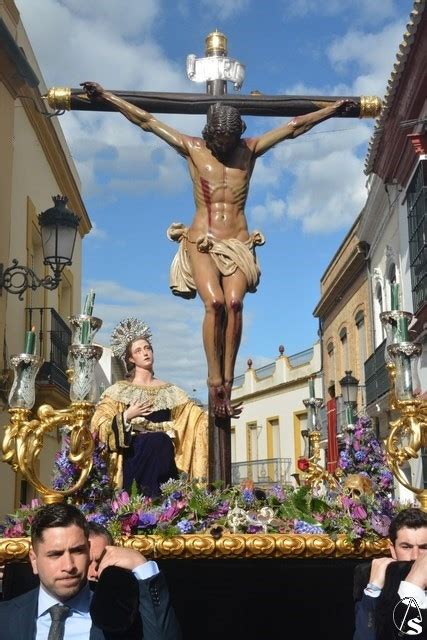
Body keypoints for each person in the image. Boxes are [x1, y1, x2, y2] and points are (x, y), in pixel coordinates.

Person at [81, 80, 356, 418]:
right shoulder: (194, 149)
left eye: (229, 140)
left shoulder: (249, 150)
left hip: (238, 243)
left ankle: (228, 377)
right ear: (209, 134)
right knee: (214, 303)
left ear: (236, 134)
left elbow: (293, 127)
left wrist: (330, 110)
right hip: (203, 240)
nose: (224, 146)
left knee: (235, 304)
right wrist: (108, 97)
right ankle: (215, 382)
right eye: (219, 141)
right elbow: (147, 121)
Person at [0, 502, 182, 639]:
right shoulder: (6, 617)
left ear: (88, 550)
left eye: (77, 551)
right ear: (34, 560)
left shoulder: (122, 616)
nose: (69, 566)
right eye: (55, 554)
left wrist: (142, 566)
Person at [91, 317, 208, 496]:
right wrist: (127, 415)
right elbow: (99, 421)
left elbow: (195, 417)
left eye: (147, 348)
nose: (145, 353)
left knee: (160, 441)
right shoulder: (118, 391)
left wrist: (218, 413)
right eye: (138, 350)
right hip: (135, 455)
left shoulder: (171, 391)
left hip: (162, 457)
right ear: (131, 358)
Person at [353, 507, 427, 639]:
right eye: (406, 547)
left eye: (424, 547)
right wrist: (373, 590)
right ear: (393, 550)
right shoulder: (376, 583)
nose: (415, 556)